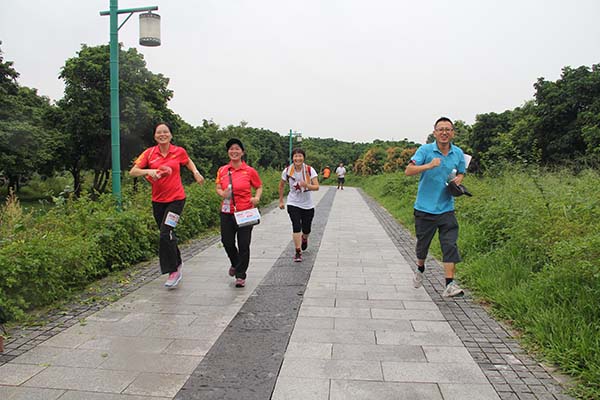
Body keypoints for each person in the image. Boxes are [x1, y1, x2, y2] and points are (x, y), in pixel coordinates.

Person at [130, 122, 205, 289]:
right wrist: (148, 171)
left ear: (171, 135)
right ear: (155, 136)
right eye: (159, 132)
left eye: (166, 132)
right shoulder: (149, 153)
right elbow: (133, 171)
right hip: (158, 201)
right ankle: (177, 262)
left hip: (177, 199)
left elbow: (188, 161)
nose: (162, 134)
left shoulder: (178, 151)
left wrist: (195, 172)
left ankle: (173, 271)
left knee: (166, 233)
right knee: (167, 233)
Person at [405, 116, 467, 297]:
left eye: (448, 129)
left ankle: (449, 284)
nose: (444, 132)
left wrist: (458, 180)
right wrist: (429, 165)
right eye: (441, 129)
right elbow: (408, 171)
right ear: (435, 132)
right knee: (422, 247)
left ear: (453, 133)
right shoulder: (425, 150)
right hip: (424, 208)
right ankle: (420, 268)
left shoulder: (458, 153)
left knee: (450, 244)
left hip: (447, 208)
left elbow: (462, 171)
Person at [215, 138, 262, 288]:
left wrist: (256, 198)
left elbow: (259, 186)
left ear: (242, 152)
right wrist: (222, 193)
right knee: (227, 241)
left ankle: (241, 275)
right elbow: (217, 187)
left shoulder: (249, 171)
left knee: (244, 244)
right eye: (231, 149)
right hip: (227, 212)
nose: (234, 151)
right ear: (228, 152)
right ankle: (235, 264)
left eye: (237, 149)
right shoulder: (222, 170)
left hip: (245, 212)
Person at [279, 148, 319, 262]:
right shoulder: (287, 171)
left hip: (307, 204)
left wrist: (307, 185)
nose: (298, 158)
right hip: (293, 202)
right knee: (296, 226)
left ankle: (304, 238)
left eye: (300, 156)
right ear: (292, 158)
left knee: (306, 229)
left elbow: (316, 187)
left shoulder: (310, 170)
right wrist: (281, 200)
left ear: (303, 158)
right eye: (295, 156)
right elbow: (281, 185)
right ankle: (297, 251)